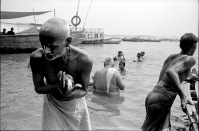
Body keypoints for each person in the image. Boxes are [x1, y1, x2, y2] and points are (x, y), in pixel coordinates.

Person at [29, 18, 92, 130]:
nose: (46, 51)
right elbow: (38, 87)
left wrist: (69, 93)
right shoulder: (37, 57)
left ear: (67, 41)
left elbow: (84, 90)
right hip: (52, 104)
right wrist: (57, 87)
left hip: (75, 105)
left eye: (52, 47)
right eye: (43, 45)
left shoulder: (84, 59)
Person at [142, 33, 198, 131]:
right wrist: (183, 96)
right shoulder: (190, 59)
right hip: (162, 99)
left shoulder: (171, 57)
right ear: (194, 46)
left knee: (154, 128)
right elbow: (171, 72)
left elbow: (165, 77)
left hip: (153, 95)